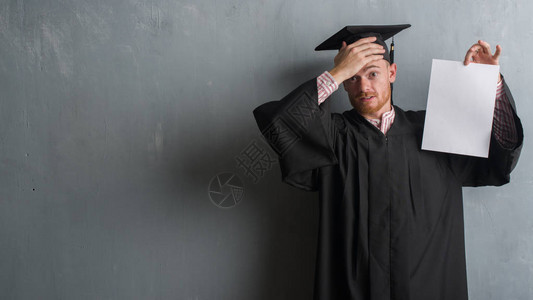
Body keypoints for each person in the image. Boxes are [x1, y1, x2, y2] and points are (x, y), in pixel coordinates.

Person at [253, 25, 523, 300]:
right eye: (353, 77)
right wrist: (335, 74)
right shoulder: (333, 136)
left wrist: (491, 83)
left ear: (392, 73)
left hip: (428, 288)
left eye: (373, 73)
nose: (364, 86)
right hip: (351, 290)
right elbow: (279, 126)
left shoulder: (435, 129)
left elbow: (501, 154)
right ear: (344, 83)